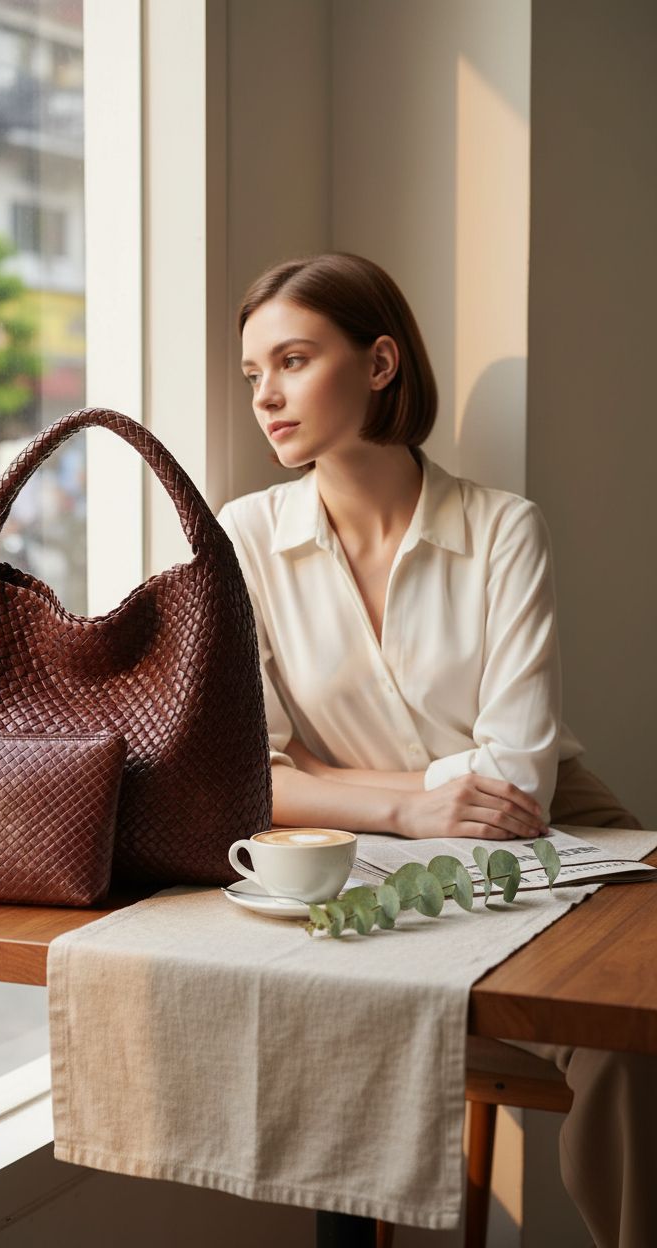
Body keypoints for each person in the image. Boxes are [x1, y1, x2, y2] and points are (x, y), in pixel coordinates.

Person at [216, 252, 649, 1247]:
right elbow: (252, 778)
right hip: (369, 849)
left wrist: (324, 779)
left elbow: (518, 784)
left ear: (378, 364)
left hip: (553, 834)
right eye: (253, 375)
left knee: (629, 1041)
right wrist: (410, 802)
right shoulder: (242, 538)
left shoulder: (502, 530)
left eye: (291, 360)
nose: (267, 396)